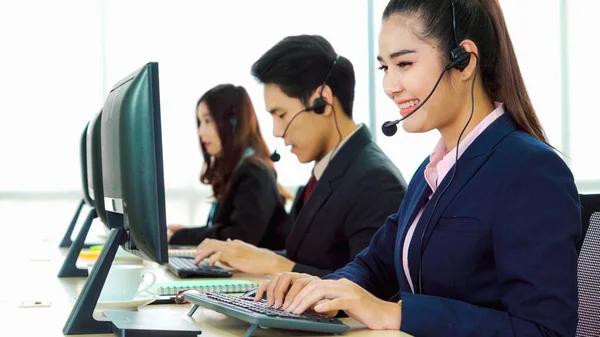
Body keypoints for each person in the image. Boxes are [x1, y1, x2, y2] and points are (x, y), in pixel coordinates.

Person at [255, 1, 581, 336]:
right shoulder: (432, 171)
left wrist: (396, 315)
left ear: (464, 60)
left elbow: (545, 330)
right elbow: (375, 264)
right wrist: (325, 289)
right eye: (385, 68)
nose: (390, 85)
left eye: (405, 63)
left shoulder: (530, 170)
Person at [193, 35, 407, 277]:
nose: (277, 131)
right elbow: (306, 260)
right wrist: (252, 256)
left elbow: (369, 291)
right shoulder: (328, 171)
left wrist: (276, 265)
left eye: (281, 115)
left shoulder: (375, 182)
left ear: (322, 102)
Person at [168, 84, 291, 251]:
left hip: (260, 276)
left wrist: (178, 237)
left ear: (233, 123)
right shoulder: (238, 169)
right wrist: (186, 232)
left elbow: (239, 237)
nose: (200, 131)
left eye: (207, 120)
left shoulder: (254, 172)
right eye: (200, 122)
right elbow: (223, 228)